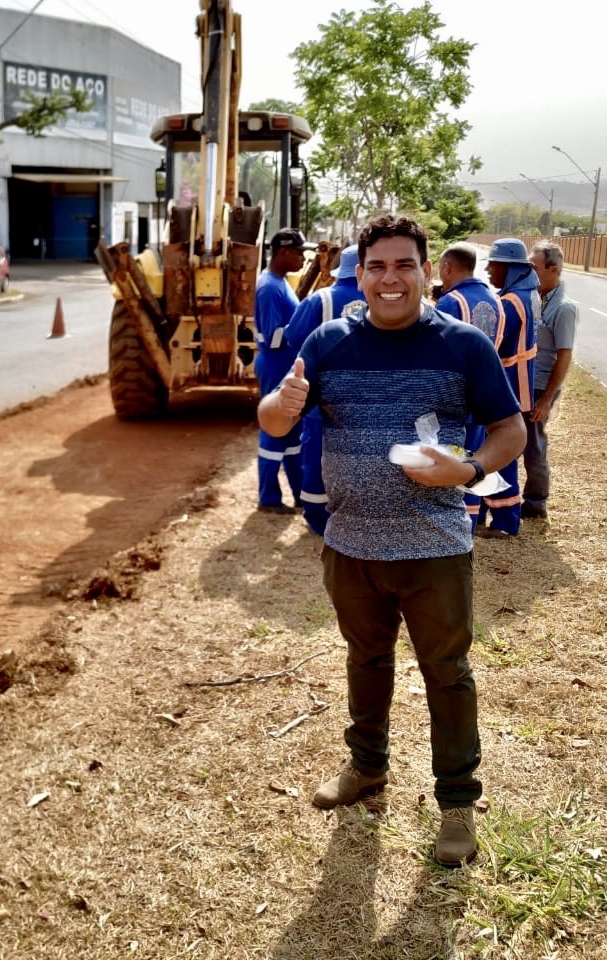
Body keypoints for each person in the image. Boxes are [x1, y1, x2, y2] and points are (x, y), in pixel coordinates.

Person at [258, 214, 526, 867]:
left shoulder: (463, 345)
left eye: (404, 265)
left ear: (426, 271)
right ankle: (366, 769)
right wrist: (284, 405)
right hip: (350, 547)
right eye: (377, 266)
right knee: (365, 660)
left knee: (447, 673)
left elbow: (510, 430)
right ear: (361, 274)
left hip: (434, 546)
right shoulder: (328, 342)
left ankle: (457, 805)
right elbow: (269, 417)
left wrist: (468, 470)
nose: (390, 278)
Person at [282, 244, 366, 536]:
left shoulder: (321, 299)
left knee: (317, 455)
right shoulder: (385, 300)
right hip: (369, 399)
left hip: (323, 398)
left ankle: (319, 519)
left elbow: (294, 338)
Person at [435, 243, 506, 531]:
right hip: (484, 391)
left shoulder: (450, 303)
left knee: (455, 455)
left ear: (447, 269)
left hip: (454, 396)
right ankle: (475, 519)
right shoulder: (496, 300)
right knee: (478, 455)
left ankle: (458, 516)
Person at [480, 237, 540, 538]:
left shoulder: (510, 304)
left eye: (495, 264)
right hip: (520, 382)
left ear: (511, 268)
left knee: (500, 453)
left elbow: (492, 345)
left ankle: (504, 521)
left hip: (509, 384)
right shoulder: (527, 294)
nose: (489, 270)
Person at [254, 227, 314, 514]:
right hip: (275, 364)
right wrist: (305, 328)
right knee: (273, 428)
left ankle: (299, 494)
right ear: (284, 252)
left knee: (291, 432)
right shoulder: (269, 287)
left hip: (285, 365)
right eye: (300, 252)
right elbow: (272, 336)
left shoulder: (280, 282)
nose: (304, 258)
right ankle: (268, 498)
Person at [524, 241, 579, 521]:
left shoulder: (564, 308)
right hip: (526, 379)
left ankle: (535, 503)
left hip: (541, 385)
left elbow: (564, 357)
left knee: (534, 444)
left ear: (552, 269)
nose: (529, 272)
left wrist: (547, 399)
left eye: (533, 267)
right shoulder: (535, 297)